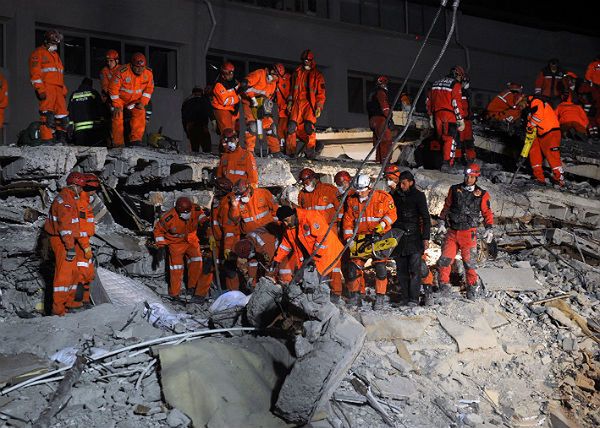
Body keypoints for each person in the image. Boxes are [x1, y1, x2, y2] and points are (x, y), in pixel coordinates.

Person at [437, 164, 493, 300]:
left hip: (469, 234)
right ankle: (443, 287)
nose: (469, 179)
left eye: (472, 177)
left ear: (476, 178)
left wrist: (489, 228)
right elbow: (447, 205)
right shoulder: (455, 189)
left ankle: (472, 290)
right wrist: (441, 221)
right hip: (452, 232)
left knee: (469, 264)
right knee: (445, 261)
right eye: (467, 176)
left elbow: (487, 212)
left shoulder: (482, 194)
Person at [342, 174, 397, 309]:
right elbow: (348, 221)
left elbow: (392, 214)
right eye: (358, 190)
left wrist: (383, 225)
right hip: (361, 239)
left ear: (369, 187)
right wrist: (349, 239)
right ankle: (355, 296)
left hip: (379, 237)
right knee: (353, 268)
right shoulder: (352, 201)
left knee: (380, 268)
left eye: (362, 190)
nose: (360, 193)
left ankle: (380, 297)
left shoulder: (382, 197)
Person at [273, 206, 344, 301]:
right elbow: (286, 245)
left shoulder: (310, 216)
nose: (286, 224)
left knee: (314, 279)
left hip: (327, 252)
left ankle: (325, 302)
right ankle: (315, 301)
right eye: (283, 222)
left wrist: (314, 258)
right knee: (307, 279)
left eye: (286, 220)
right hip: (313, 257)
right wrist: (277, 259)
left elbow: (322, 237)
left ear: (292, 215)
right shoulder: (290, 228)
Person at [43, 172, 89, 315]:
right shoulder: (65, 202)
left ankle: (68, 306)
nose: (81, 190)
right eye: (80, 187)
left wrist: (82, 244)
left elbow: (73, 227)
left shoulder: (69, 199)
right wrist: (70, 248)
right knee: (63, 277)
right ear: (74, 185)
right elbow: (65, 229)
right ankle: (58, 312)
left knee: (73, 273)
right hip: (62, 242)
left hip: (67, 241)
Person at [385, 166, 431, 306]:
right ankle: (405, 298)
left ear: (411, 182)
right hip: (398, 238)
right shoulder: (394, 196)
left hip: (414, 238)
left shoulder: (418, 196)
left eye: (404, 183)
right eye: (401, 183)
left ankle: (413, 299)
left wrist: (426, 238)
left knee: (415, 270)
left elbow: (425, 218)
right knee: (401, 271)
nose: (402, 186)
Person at [153, 197, 206, 301]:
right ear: (177, 210)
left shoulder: (195, 209)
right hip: (175, 243)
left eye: (188, 212)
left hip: (191, 239)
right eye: (183, 213)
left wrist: (206, 223)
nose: (186, 214)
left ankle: (192, 287)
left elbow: (202, 217)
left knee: (197, 261)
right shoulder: (169, 218)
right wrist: (161, 245)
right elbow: (158, 231)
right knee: (176, 268)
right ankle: (174, 294)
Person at [29, 29, 69, 144]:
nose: (55, 45)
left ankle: (61, 138)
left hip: (58, 90)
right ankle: (47, 139)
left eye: (56, 43)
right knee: (47, 115)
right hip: (47, 88)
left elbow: (59, 74)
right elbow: (35, 74)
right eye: (53, 43)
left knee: (62, 115)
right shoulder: (38, 54)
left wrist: (63, 89)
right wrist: (40, 89)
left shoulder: (55, 56)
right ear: (46, 41)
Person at [286, 49, 326, 159]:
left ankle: (310, 152)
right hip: (297, 102)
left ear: (312, 60)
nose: (306, 62)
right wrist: (290, 102)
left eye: (308, 60)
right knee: (291, 127)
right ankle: (290, 153)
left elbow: (321, 93)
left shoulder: (317, 75)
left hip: (309, 103)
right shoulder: (297, 72)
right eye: (304, 60)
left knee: (309, 128)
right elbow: (291, 90)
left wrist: (319, 106)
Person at [108, 52, 154, 147]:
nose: (140, 69)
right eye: (137, 67)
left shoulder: (148, 73)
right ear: (132, 65)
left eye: (142, 67)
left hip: (134, 101)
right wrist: (116, 105)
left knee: (140, 112)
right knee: (118, 116)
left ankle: (136, 140)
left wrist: (142, 103)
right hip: (120, 100)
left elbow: (149, 90)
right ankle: (118, 143)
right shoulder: (122, 72)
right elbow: (113, 89)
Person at [517, 95, 564, 186]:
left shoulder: (536, 101)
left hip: (551, 131)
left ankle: (559, 179)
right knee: (534, 153)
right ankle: (539, 179)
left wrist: (530, 125)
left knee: (553, 157)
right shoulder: (528, 110)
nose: (519, 107)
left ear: (523, 100)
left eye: (519, 104)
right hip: (539, 133)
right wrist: (523, 154)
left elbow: (538, 115)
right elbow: (530, 130)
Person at [426, 66, 467, 170]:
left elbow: (428, 101)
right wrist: (460, 119)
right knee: (450, 139)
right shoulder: (455, 84)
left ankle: (437, 162)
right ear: (458, 75)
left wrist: (431, 116)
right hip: (449, 115)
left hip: (437, 115)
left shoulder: (435, 83)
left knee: (440, 139)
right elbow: (456, 102)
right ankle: (447, 163)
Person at [239, 64, 284, 155]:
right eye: (275, 75)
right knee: (252, 126)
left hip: (261, 104)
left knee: (271, 127)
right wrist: (252, 98)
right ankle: (249, 151)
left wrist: (266, 108)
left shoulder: (273, 83)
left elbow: (268, 97)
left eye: (277, 77)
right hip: (249, 102)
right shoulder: (260, 74)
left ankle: (275, 151)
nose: (275, 78)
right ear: (271, 71)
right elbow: (244, 85)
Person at [74, 173, 100, 306]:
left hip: (84, 242)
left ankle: (84, 300)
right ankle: (76, 302)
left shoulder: (85, 202)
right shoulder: (81, 204)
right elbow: (81, 230)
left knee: (88, 273)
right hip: (80, 244)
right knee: (81, 273)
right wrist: (86, 247)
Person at [68, 78, 107, 146]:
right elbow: (100, 108)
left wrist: (71, 125)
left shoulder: (74, 95)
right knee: (93, 150)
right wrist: (102, 120)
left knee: (81, 151)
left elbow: (70, 110)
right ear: (91, 85)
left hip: (79, 130)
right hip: (93, 128)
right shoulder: (93, 93)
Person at [366, 75, 394, 163]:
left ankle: (379, 161)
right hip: (380, 120)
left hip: (372, 120)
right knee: (386, 140)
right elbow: (384, 106)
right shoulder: (380, 93)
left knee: (379, 142)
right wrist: (389, 117)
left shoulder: (371, 95)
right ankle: (385, 163)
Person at [211, 61, 240, 136]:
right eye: (229, 74)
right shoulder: (219, 85)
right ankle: (226, 147)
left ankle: (233, 147)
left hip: (232, 110)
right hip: (222, 110)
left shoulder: (234, 82)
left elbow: (239, 89)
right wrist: (237, 98)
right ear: (223, 74)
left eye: (232, 73)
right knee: (228, 134)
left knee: (234, 135)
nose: (231, 76)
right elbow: (225, 101)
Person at [181, 86, 213, 153]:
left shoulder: (186, 102)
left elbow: (183, 118)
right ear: (201, 92)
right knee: (207, 149)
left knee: (195, 149)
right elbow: (210, 111)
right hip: (202, 126)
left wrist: (186, 131)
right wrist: (214, 121)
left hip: (191, 127)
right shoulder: (204, 100)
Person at [456, 76, 476, 163]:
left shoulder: (467, 92)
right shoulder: (461, 92)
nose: (464, 83)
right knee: (459, 141)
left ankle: (469, 159)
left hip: (466, 121)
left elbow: (468, 107)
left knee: (468, 141)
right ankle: (457, 159)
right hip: (461, 120)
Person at [274, 64, 291, 152]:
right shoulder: (278, 81)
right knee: (281, 131)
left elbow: (290, 94)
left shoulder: (287, 80)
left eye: (275, 71)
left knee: (283, 131)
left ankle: (286, 150)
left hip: (286, 110)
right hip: (282, 110)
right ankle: (284, 148)